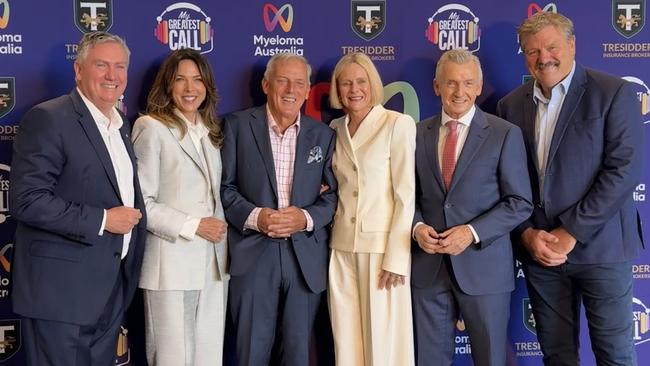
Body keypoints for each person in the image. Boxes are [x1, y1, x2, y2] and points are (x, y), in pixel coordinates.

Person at [497, 12, 644, 365]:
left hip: (603, 251)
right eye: (532, 51)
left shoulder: (613, 92)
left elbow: (624, 170)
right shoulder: (510, 105)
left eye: (551, 46)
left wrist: (571, 231)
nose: (543, 57)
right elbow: (507, 181)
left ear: (572, 45)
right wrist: (528, 233)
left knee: (615, 356)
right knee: (557, 356)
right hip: (541, 253)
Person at [9, 31, 146, 366]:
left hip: (109, 287)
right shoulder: (49, 118)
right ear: (79, 70)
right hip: (61, 295)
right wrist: (103, 220)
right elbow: (26, 199)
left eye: (120, 67)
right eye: (101, 65)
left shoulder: (120, 125)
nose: (113, 76)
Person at [411, 48, 533, 366]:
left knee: (490, 359)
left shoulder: (505, 134)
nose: (459, 92)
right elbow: (405, 197)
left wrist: (471, 232)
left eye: (467, 83)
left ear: (479, 87)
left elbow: (519, 203)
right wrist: (417, 227)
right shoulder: (414, 134)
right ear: (437, 86)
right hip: (428, 268)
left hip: (485, 270)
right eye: (451, 83)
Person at [220, 53, 337, 366]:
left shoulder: (323, 135)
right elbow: (224, 188)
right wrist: (258, 217)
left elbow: (333, 196)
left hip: (304, 260)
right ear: (266, 84)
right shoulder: (237, 126)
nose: (291, 89)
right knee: (251, 354)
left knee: (297, 355)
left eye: (299, 82)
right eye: (283, 80)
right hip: (255, 255)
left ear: (308, 89)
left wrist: (304, 218)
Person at [131, 48, 228, 366]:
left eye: (197, 80)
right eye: (181, 80)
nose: (190, 88)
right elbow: (141, 202)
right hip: (169, 265)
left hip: (212, 264)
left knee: (208, 356)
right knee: (172, 357)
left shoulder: (210, 132)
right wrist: (194, 225)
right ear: (168, 86)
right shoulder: (151, 127)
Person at [327, 52, 416, 366]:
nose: (354, 89)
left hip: (380, 251)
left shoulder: (397, 124)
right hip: (340, 247)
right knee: (346, 343)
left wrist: (397, 257)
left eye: (361, 81)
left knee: (383, 344)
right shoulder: (334, 128)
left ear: (373, 84)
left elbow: (406, 195)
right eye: (346, 82)